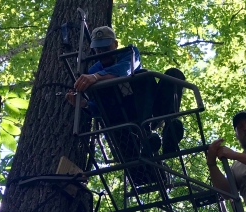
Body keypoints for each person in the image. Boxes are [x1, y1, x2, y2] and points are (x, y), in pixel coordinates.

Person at [67, 26, 185, 156]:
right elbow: (99, 106)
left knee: (165, 74)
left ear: (115, 44)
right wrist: (84, 104)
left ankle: (170, 129)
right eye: (98, 48)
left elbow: (125, 70)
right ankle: (146, 137)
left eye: (106, 47)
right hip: (124, 117)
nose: (102, 52)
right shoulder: (93, 70)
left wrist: (97, 77)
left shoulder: (130, 53)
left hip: (150, 109)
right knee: (106, 90)